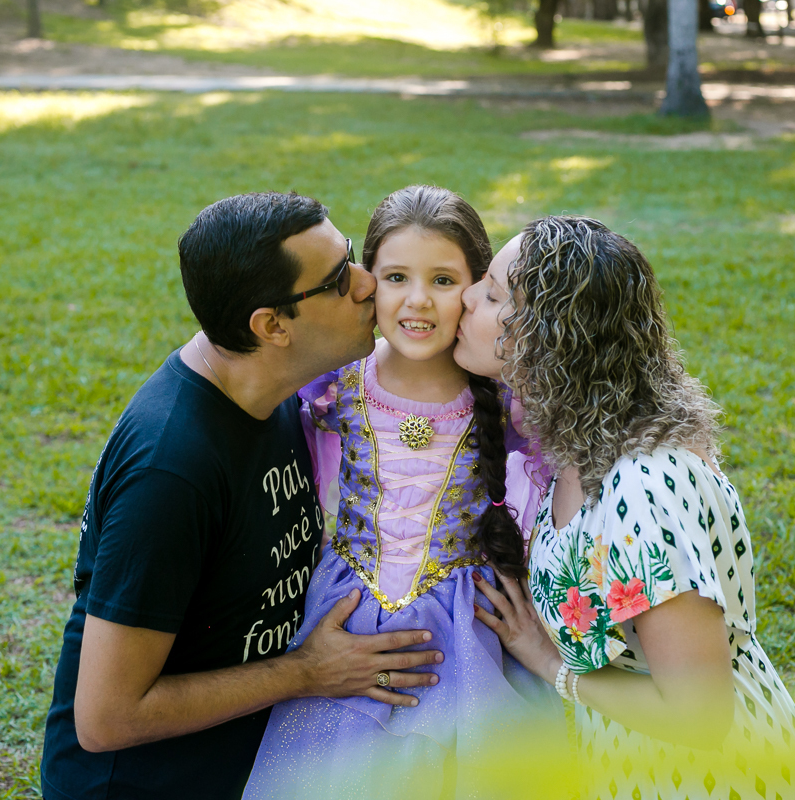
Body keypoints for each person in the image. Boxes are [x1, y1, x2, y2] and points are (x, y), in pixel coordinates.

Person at [40, 192, 444, 800]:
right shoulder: (171, 471)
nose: (368, 284)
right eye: (339, 281)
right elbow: (105, 717)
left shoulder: (275, 383)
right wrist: (308, 672)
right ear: (271, 325)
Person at [454, 217, 795, 800]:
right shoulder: (580, 440)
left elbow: (698, 717)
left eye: (491, 292)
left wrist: (548, 662)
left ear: (543, 339)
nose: (464, 296)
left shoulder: (644, 488)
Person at [243, 186, 566, 799]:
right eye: (396, 277)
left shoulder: (506, 402)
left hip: (464, 635)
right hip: (346, 610)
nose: (418, 301)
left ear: (476, 291)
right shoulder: (332, 386)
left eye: (444, 280)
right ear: (367, 283)